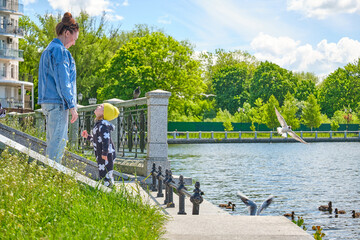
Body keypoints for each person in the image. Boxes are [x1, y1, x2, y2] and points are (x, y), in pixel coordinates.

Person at [38, 12, 79, 163]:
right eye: (74, 39)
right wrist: (72, 105)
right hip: (58, 103)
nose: (74, 43)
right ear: (67, 33)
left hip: (48, 102)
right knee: (58, 144)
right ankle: (53, 178)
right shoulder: (60, 51)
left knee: (52, 143)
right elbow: (64, 81)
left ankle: (49, 178)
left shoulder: (47, 50)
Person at [81, 103, 119, 187]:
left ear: (103, 113)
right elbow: (97, 140)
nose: (98, 106)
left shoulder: (103, 125)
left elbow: (106, 140)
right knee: (103, 172)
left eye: (101, 106)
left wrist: (105, 153)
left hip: (107, 154)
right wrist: (87, 137)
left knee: (106, 173)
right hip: (102, 153)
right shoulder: (99, 125)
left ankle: (108, 190)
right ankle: (106, 188)